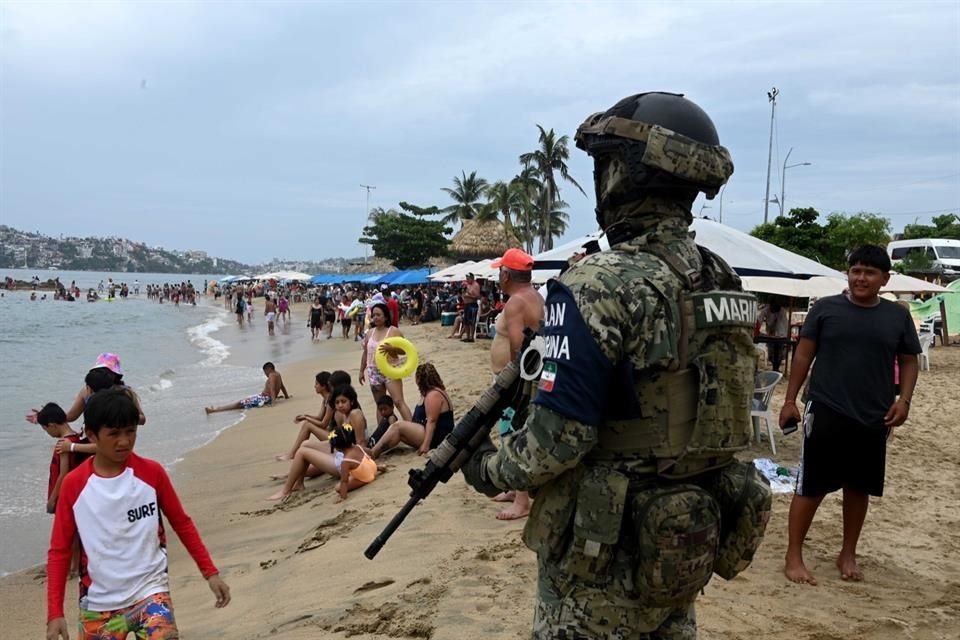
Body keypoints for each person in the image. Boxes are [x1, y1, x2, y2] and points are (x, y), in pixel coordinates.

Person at [461, 92, 771, 638]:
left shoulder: (598, 284)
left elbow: (556, 444)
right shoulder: (721, 278)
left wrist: (485, 467)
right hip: (682, 538)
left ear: (624, 177)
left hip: (602, 556)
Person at [780, 245, 921, 586]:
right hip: (826, 408)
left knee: (858, 487)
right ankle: (793, 555)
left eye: (870, 272)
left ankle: (848, 552)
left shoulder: (897, 316)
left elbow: (909, 360)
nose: (861, 277)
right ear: (848, 273)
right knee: (811, 486)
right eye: (855, 270)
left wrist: (904, 401)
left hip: (875, 414)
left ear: (885, 279)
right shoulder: (826, 310)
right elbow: (803, 356)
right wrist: (790, 400)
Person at [45, 388, 230, 640]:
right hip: (99, 606)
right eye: (114, 434)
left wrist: (210, 572)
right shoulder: (74, 485)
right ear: (91, 435)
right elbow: (60, 550)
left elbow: (182, 523)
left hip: (152, 594)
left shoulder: (152, 474)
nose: (124, 441)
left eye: (130, 431)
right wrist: (55, 613)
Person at [487, 248, 544, 521]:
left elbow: (518, 346)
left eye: (500, 272)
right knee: (510, 431)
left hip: (517, 381)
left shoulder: (516, 303)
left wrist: (511, 385)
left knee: (513, 434)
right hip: (526, 378)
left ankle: (521, 500)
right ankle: (513, 486)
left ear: (506, 275)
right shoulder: (534, 296)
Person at [268, 384, 368, 501]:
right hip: (343, 452)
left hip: (349, 462)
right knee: (305, 444)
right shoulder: (342, 415)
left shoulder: (355, 414)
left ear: (352, 401)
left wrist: (353, 465)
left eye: (343, 401)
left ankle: (286, 490)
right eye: (337, 402)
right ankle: (298, 484)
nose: (340, 405)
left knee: (302, 452)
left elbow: (361, 444)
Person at [369, 363, 454, 458]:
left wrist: (426, 445)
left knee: (397, 426)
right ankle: (376, 449)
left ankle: (373, 452)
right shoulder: (431, 392)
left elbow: (432, 421)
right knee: (396, 433)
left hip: (436, 437)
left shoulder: (434, 395)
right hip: (427, 432)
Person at [359, 303, 413, 422]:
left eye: (379, 315)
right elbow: (366, 352)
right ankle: (382, 432)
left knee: (398, 401)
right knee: (380, 405)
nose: (376, 318)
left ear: (386, 317)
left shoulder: (393, 331)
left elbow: (404, 350)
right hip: (373, 370)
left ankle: (412, 426)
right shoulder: (370, 333)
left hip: (391, 369)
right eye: (374, 315)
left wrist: (391, 349)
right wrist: (361, 370)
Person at [36, 403, 87, 514]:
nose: (48, 433)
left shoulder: (64, 444)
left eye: (46, 429)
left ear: (52, 425)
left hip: (63, 495)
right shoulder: (76, 437)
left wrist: (52, 499)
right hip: (75, 492)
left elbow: (63, 473)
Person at [205, 362, 289, 414]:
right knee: (241, 403)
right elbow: (282, 386)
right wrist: (286, 396)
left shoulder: (271, 375)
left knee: (239, 404)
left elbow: (272, 389)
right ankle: (217, 408)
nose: (265, 374)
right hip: (264, 397)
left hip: (264, 398)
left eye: (265, 372)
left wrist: (273, 402)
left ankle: (215, 410)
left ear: (269, 369)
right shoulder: (278, 374)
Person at [329, 423, 380, 502]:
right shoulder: (358, 447)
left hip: (366, 477)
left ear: (337, 447)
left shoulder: (345, 461)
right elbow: (370, 452)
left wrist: (343, 497)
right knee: (360, 466)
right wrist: (372, 462)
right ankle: (377, 468)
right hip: (373, 468)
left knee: (338, 487)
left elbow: (344, 481)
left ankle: (368, 477)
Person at [758, 299, 789, 372]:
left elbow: (782, 325)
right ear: (770, 305)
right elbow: (759, 320)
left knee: (779, 353)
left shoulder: (782, 311)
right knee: (772, 352)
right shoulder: (766, 310)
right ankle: (774, 368)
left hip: (781, 335)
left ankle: (776, 369)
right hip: (771, 335)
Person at [460, 273, 481, 342]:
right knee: (466, 321)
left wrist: (469, 296)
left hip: (472, 304)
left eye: (468, 278)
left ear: (472, 278)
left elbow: (477, 297)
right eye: (466, 278)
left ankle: (471, 337)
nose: (467, 280)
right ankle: (468, 336)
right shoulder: (467, 285)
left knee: (471, 321)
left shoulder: (476, 285)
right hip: (467, 304)